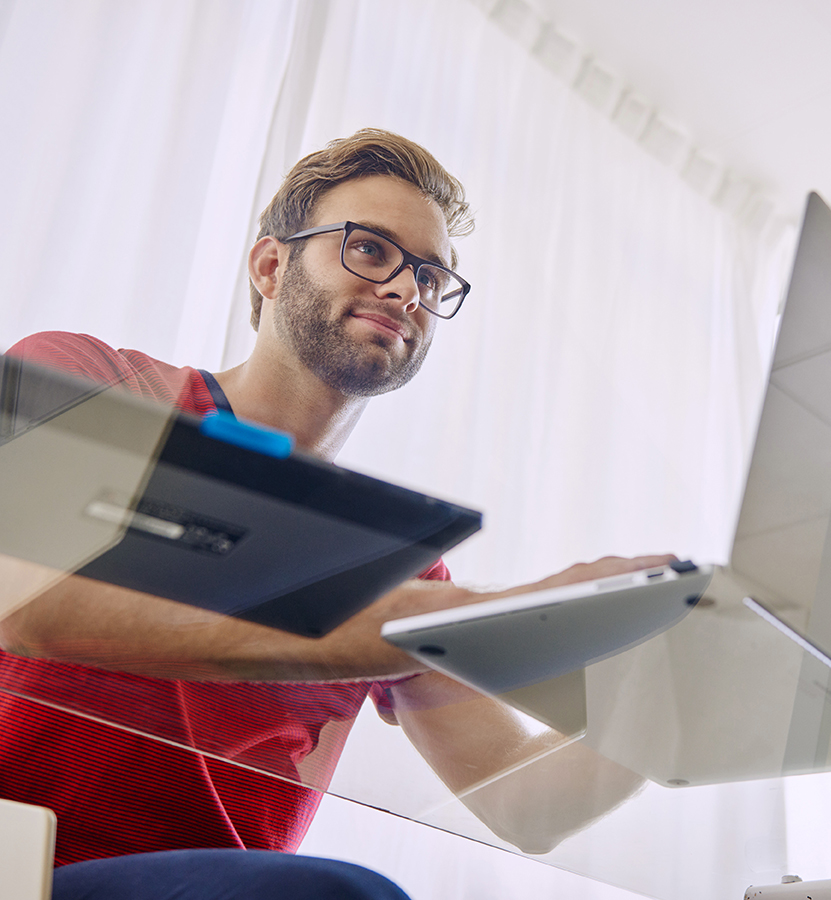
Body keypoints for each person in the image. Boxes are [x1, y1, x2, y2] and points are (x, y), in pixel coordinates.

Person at [0, 129, 673, 899]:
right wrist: (482, 614)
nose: (405, 290)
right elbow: (30, 609)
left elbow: (522, 801)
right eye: (371, 249)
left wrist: (674, 695)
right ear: (270, 265)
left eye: (431, 275)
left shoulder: (405, 567)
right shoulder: (98, 386)